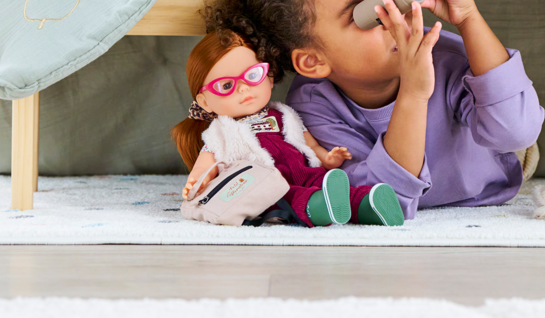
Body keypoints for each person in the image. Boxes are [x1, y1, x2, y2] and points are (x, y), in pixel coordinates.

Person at [203, 0, 544, 220]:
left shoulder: (441, 54)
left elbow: (518, 132)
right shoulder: (315, 107)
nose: (393, 15)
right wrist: (413, 92)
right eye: (364, 13)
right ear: (314, 62)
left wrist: (468, 16)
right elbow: (386, 197)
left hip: (493, 164)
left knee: (511, 119)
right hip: (429, 178)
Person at [171, 29, 405, 227]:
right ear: (204, 102)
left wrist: (327, 158)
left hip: (303, 170)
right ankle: (320, 208)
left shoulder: (283, 113)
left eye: (252, 76)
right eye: (226, 85)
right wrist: (196, 182)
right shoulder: (220, 132)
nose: (244, 89)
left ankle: (368, 205)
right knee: (293, 196)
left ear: (269, 77)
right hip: (267, 185)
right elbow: (207, 164)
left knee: (322, 181)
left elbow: (308, 144)